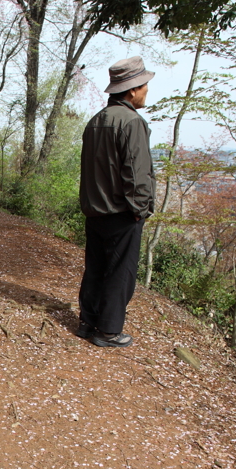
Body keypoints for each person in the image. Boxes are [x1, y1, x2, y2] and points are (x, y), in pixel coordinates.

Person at [76, 56, 155, 348]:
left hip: (94, 211)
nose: (147, 90)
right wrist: (140, 210)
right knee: (120, 271)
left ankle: (87, 322)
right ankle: (108, 331)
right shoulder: (132, 122)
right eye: (145, 85)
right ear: (132, 90)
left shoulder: (96, 121)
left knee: (96, 267)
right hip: (122, 212)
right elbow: (136, 173)